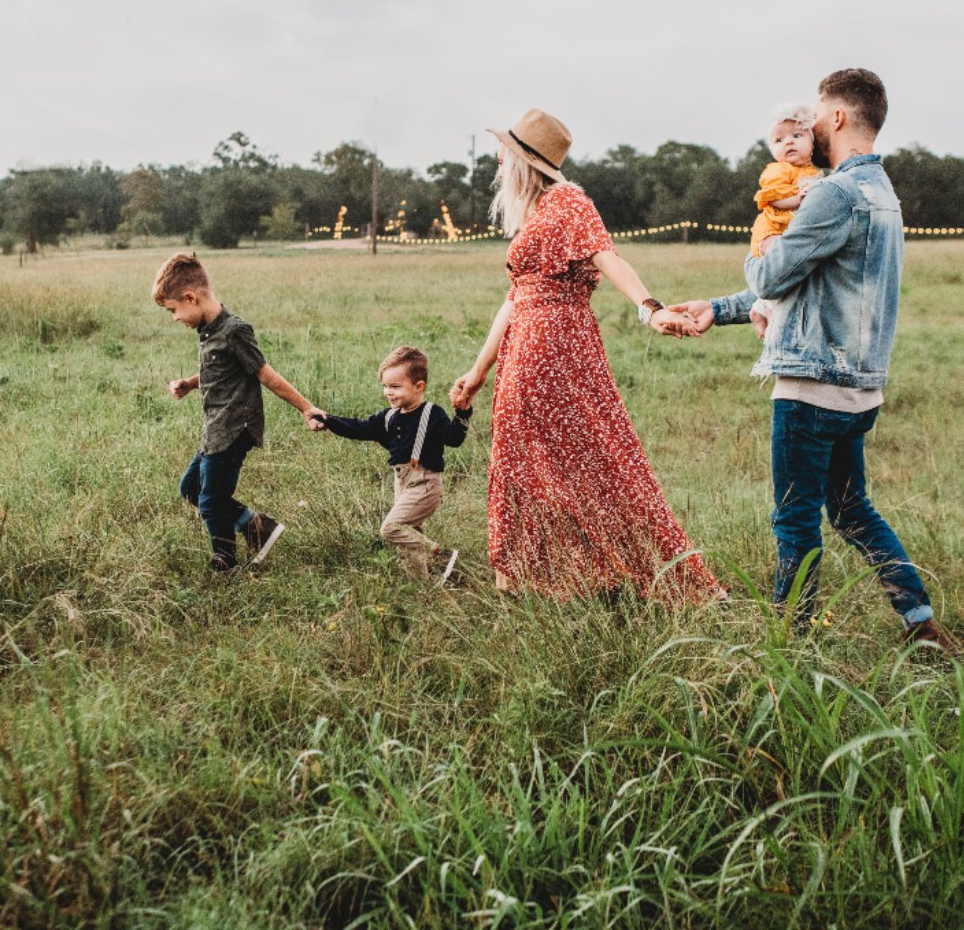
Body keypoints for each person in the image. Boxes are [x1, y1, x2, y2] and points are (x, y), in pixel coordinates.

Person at [671, 69, 958, 652]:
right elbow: (811, 285)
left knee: (794, 519)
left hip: (811, 387)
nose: (810, 126)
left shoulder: (833, 193)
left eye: (818, 114)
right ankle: (921, 623)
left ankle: (789, 641)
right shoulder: (883, 194)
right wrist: (719, 309)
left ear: (839, 118)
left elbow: (774, 273)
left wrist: (764, 249)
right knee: (853, 511)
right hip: (859, 390)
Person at [450, 108, 723, 603]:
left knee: (594, 457)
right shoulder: (535, 212)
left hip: (555, 345)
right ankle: (532, 577)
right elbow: (514, 300)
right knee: (526, 460)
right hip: (528, 345)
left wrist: (650, 308)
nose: (495, 161)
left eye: (503, 153)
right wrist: (477, 371)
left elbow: (608, 256)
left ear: (523, 161)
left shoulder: (568, 201)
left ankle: (622, 572)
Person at [152, 252, 322, 574]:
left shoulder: (234, 331)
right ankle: (256, 526)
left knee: (211, 500)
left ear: (191, 297)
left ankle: (226, 563)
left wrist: (307, 408)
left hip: (233, 429)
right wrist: (190, 383)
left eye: (174, 310)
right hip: (215, 429)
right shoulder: (209, 332)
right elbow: (221, 372)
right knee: (190, 488)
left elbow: (264, 374)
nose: (174, 318)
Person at [311, 346, 470, 581]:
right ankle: (420, 586)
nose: (388, 392)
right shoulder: (388, 417)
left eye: (395, 387)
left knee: (391, 528)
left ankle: (441, 555)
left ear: (419, 386)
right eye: (385, 386)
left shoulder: (431, 413)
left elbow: (454, 439)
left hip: (425, 483)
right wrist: (328, 421)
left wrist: (462, 414)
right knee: (409, 536)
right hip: (402, 482)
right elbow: (358, 428)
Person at [748, 103, 823, 336]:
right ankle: (765, 309)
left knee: (793, 269)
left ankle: (760, 308)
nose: (788, 142)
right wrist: (797, 200)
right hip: (772, 230)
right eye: (779, 140)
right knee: (780, 262)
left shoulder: (814, 172)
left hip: (789, 230)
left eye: (797, 136)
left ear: (812, 143)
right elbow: (772, 198)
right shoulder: (778, 170)